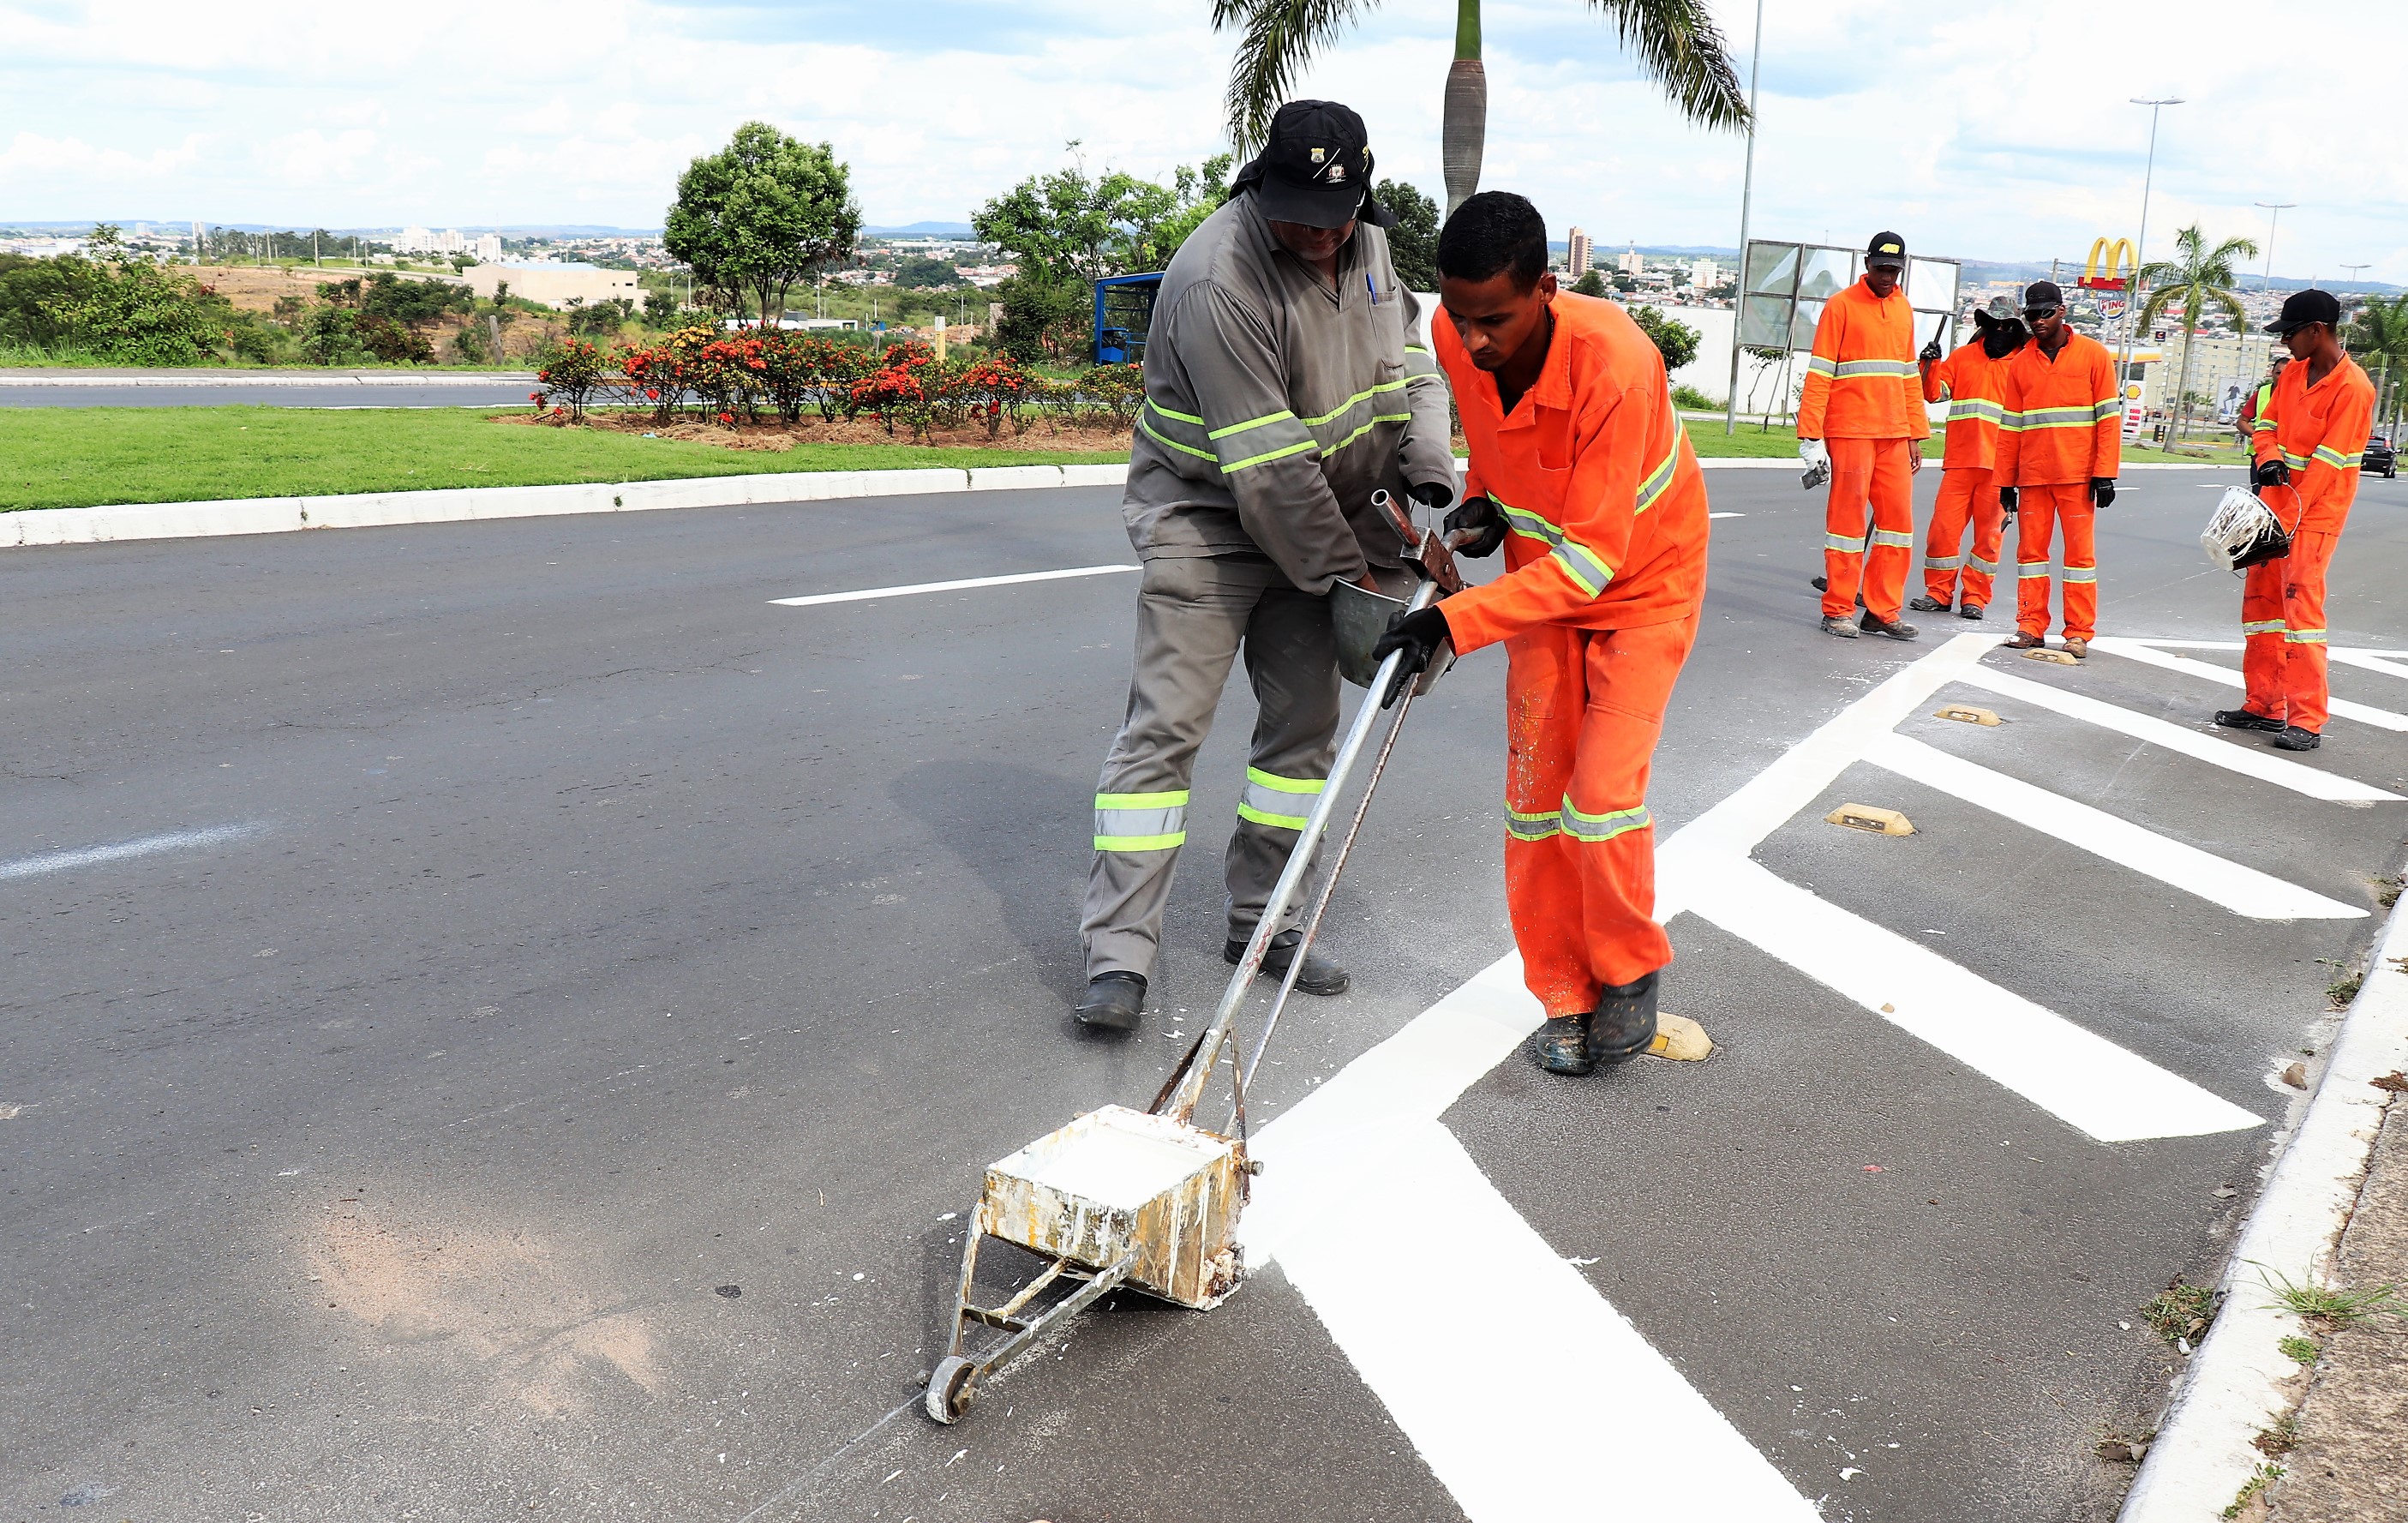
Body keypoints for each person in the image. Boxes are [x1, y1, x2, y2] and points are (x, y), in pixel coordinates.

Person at [1074, 99, 1459, 1032]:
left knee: (1298, 744)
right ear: (1259, 185)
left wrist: (1430, 481)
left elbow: (1412, 368)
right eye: (1297, 217)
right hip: (1207, 521)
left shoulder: (1366, 249)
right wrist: (1363, 582)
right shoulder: (1216, 279)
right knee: (1163, 732)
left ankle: (1267, 923)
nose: (1318, 239)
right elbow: (1271, 469)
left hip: (1319, 521)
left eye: (1336, 221)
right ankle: (1118, 959)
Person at [1373, 191, 1710, 1076]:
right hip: (1538, 587)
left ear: (1546, 289)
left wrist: (1454, 620)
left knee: (1596, 802)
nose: (1472, 340)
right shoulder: (1454, 334)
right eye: (1458, 314)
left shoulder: (1617, 365)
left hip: (1640, 587)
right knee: (1534, 802)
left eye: (1495, 319)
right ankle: (1560, 990)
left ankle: (1629, 968)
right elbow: (1496, 433)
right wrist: (1482, 497)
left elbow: (1594, 561)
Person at [2214, 290, 2376, 752]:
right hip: (2271, 507)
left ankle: (2307, 718)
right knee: (2261, 607)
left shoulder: (2353, 388)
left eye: (2289, 333)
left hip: (2313, 516)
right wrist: (2267, 459)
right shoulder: (2294, 376)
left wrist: (2286, 518)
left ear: (2316, 331)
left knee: (2301, 614)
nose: (2285, 343)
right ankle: (2265, 705)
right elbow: (2264, 426)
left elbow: (2327, 465)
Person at [1797, 232, 1929, 641]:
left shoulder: (1903, 308)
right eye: (1881, 269)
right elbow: (1819, 375)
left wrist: (1915, 435)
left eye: (1894, 270)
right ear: (1867, 266)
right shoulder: (1841, 307)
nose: (1887, 276)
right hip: (1850, 431)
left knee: (1898, 527)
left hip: (1894, 433)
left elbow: (1909, 376)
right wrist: (1810, 437)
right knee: (1847, 524)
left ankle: (1881, 611)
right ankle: (1838, 608)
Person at [1992, 280, 2121, 657]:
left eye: (2045, 313)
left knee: (2080, 558)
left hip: (2078, 476)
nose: (2038, 321)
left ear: (2062, 311)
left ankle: (2078, 632)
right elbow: (2010, 428)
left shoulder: (2094, 356)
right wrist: (2006, 482)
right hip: (2033, 476)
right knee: (2031, 555)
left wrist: (2105, 473)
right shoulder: (2020, 365)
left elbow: (2108, 420)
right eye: (2031, 315)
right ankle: (2030, 626)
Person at [1911, 297, 2026, 619]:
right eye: (1994, 324)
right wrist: (1929, 365)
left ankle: (1975, 597)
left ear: (2016, 329)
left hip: (1999, 469)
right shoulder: (1963, 358)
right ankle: (1938, 592)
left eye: (2006, 326)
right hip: (1960, 463)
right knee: (1943, 532)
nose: (2000, 330)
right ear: (1984, 326)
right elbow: (1934, 393)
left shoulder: (2023, 365)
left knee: (1988, 539)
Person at [2237, 353, 2289, 448]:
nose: (2282, 377)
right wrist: (2257, 437)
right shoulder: (2262, 392)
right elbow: (2241, 422)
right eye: (2278, 373)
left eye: (2286, 374)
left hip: (2285, 453)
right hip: (2261, 453)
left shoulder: (2301, 395)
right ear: (2272, 373)